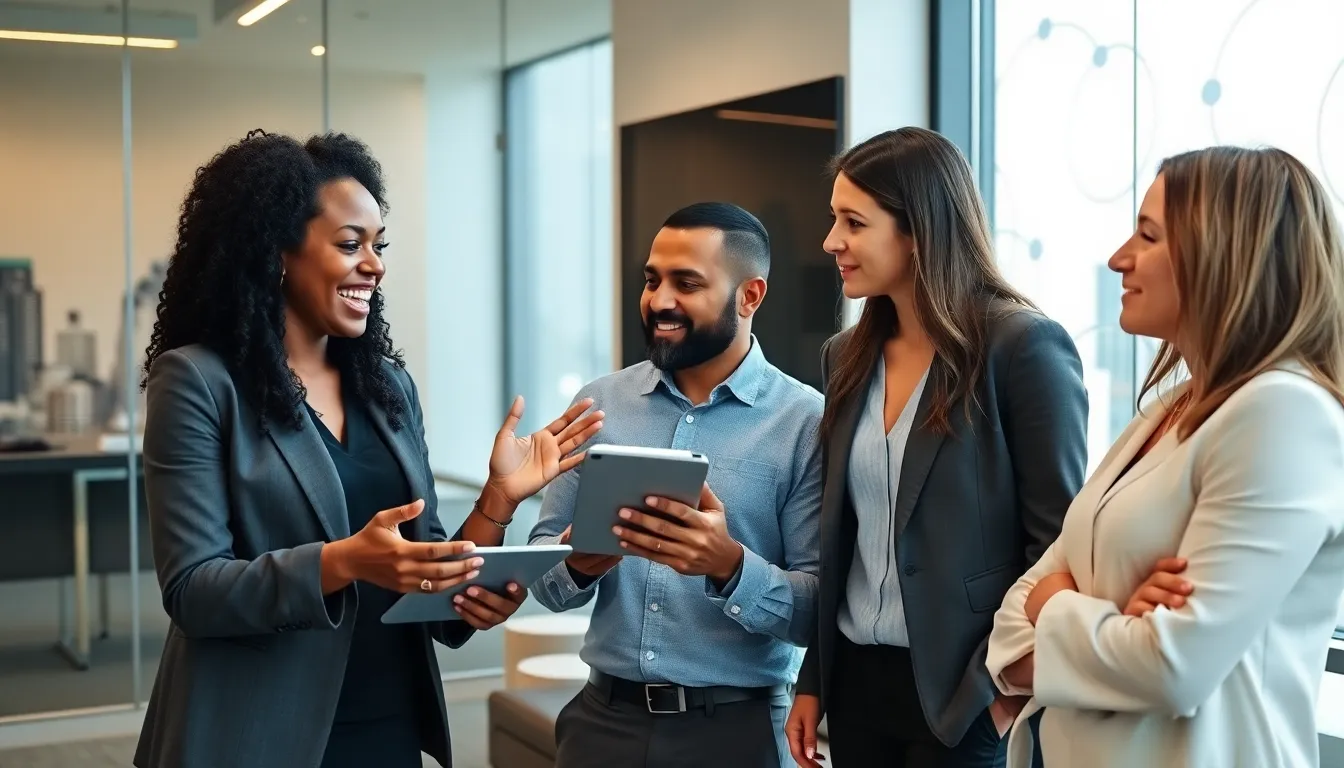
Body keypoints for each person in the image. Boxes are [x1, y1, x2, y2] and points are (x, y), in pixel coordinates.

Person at [132, 130, 602, 768]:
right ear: (275, 252)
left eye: (379, 245)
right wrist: (343, 562)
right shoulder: (199, 383)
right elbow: (193, 590)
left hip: (387, 727)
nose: (375, 265)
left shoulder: (387, 388)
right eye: (350, 245)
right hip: (259, 735)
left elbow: (428, 579)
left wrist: (496, 507)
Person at [986, 146, 1344, 768]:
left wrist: (1057, 603)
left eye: (1147, 235)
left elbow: (1170, 667)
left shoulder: (1285, 413)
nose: (1118, 258)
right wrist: (1111, 615)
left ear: (1226, 255)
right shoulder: (1171, 407)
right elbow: (1008, 635)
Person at [785, 126, 1088, 768]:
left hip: (966, 690)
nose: (830, 241)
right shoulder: (845, 356)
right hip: (858, 685)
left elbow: (1060, 543)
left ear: (918, 231)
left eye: (853, 222)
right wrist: (813, 677)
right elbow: (840, 541)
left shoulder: (1021, 347)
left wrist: (998, 691)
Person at [527, 202, 824, 768]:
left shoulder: (806, 422)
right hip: (600, 726)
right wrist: (576, 564)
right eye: (651, 279)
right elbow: (542, 573)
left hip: (738, 737)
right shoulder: (598, 404)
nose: (660, 300)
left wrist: (728, 565)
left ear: (750, 295)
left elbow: (819, 609)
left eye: (686, 283)